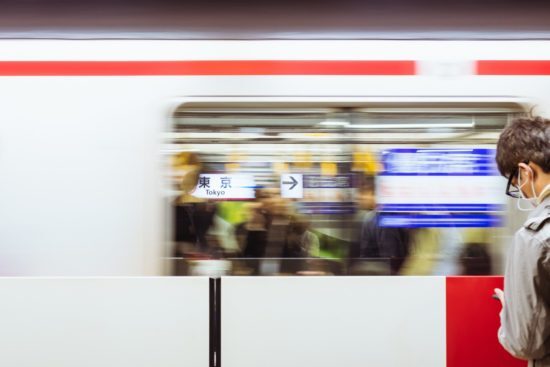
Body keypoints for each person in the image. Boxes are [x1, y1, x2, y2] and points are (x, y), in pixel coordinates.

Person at [494, 116, 550, 367]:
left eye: (518, 184)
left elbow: (524, 342)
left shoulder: (535, 237)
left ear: (527, 171)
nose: (524, 194)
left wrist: (510, 309)